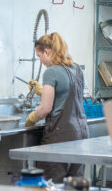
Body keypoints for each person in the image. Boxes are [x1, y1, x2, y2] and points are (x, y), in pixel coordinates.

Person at [24, 32, 89, 182]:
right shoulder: (77, 69)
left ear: (47, 51)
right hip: (81, 133)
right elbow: (67, 95)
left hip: (60, 136)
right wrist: (42, 91)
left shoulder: (51, 72)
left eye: (39, 56)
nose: (40, 61)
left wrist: (32, 117)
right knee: (74, 185)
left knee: (52, 186)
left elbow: (46, 108)